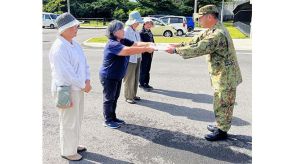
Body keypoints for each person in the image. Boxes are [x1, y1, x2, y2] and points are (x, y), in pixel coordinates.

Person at [166, 5, 243, 141]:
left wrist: (176, 51)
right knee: (220, 101)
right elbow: (195, 41)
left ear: (209, 17)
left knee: (224, 103)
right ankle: (221, 125)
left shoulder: (217, 34)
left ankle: (222, 131)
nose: (198, 21)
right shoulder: (212, 29)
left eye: (200, 18)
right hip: (222, 75)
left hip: (226, 76)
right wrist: (177, 45)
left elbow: (199, 47)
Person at [49, 13, 92, 161]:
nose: (76, 28)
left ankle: (73, 144)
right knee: (68, 121)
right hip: (66, 90)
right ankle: (68, 151)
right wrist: (83, 84)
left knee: (77, 119)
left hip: (78, 88)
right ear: (64, 29)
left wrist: (87, 80)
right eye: (74, 26)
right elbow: (66, 74)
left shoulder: (75, 43)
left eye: (76, 25)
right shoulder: (59, 47)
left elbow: (84, 63)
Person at [99, 20, 155, 129]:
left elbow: (136, 43)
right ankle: (108, 120)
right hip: (109, 76)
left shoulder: (122, 40)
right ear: (114, 32)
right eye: (120, 29)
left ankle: (113, 117)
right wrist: (145, 49)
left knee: (115, 98)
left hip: (117, 75)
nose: (123, 30)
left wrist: (149, 43)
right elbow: (127, 51)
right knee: (109, 99)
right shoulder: (113, 44)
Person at [123, 11, 145, 104]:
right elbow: (126, 45)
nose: (139, 23)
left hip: (137, 56)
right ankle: (128, 96)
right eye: (137, 22)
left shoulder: (135, 30)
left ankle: (133, 94)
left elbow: (138, 42)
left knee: (136, 77)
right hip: (130, 57)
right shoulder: (126, 30)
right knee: (129, 78)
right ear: (132, 21)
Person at [139, 17, 155, 91]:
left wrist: (155, 46)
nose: (149, 25)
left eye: (150, 24)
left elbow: (153, 42)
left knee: (148, 69)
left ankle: (146, 83)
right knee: (143, 69)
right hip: (144, 53)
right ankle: (141, 84)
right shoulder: (141, 33)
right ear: (144, 24)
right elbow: (141, 43)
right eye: (148, 23)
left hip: (150, 53)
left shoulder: (150, 32)